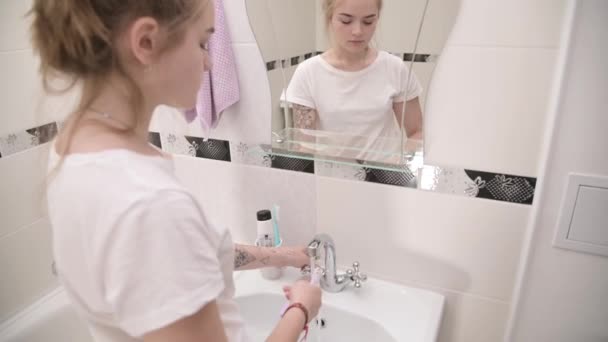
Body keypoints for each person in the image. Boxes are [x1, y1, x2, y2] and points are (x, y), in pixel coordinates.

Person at [31, 1, 321, 341]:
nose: (210, 61)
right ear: (146, 42)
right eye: (202, 42)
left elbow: (183, 259)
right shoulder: (151, 204)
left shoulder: (74, 150)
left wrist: (281, 256)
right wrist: (300, 310)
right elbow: (164, 238)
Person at [285, 0, 424, 163]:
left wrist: (400, 164)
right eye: (346, 21)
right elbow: (304, 147)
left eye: (368, 21)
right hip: (332, 178)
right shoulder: (308, 73)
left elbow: (417, 132)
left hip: (385, 179)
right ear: (330, 18)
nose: (358, 31)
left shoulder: (395, 69)